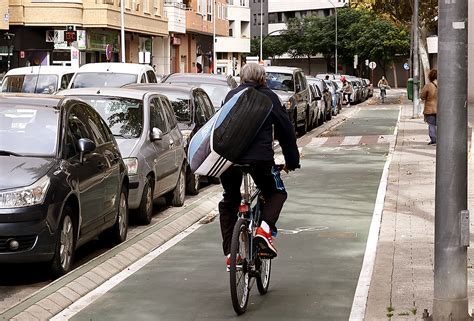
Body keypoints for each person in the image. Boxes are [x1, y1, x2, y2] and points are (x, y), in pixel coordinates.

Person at [219, 63, 300, 268]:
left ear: (241, 78)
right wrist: (292, 161)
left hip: (230, 160)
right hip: (260, 160)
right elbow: (286, 132)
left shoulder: (231, 96)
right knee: (276, 193)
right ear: (263, 78)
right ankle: (264, 229)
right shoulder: (270, 97)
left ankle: (231, 252)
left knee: (230, 200)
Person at [420, 69, 438, 145]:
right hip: (441, 109)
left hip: (430, 109)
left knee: (431, 124)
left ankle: (434, 140)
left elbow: (422, 96)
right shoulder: (443, 85)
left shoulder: (428, 85)